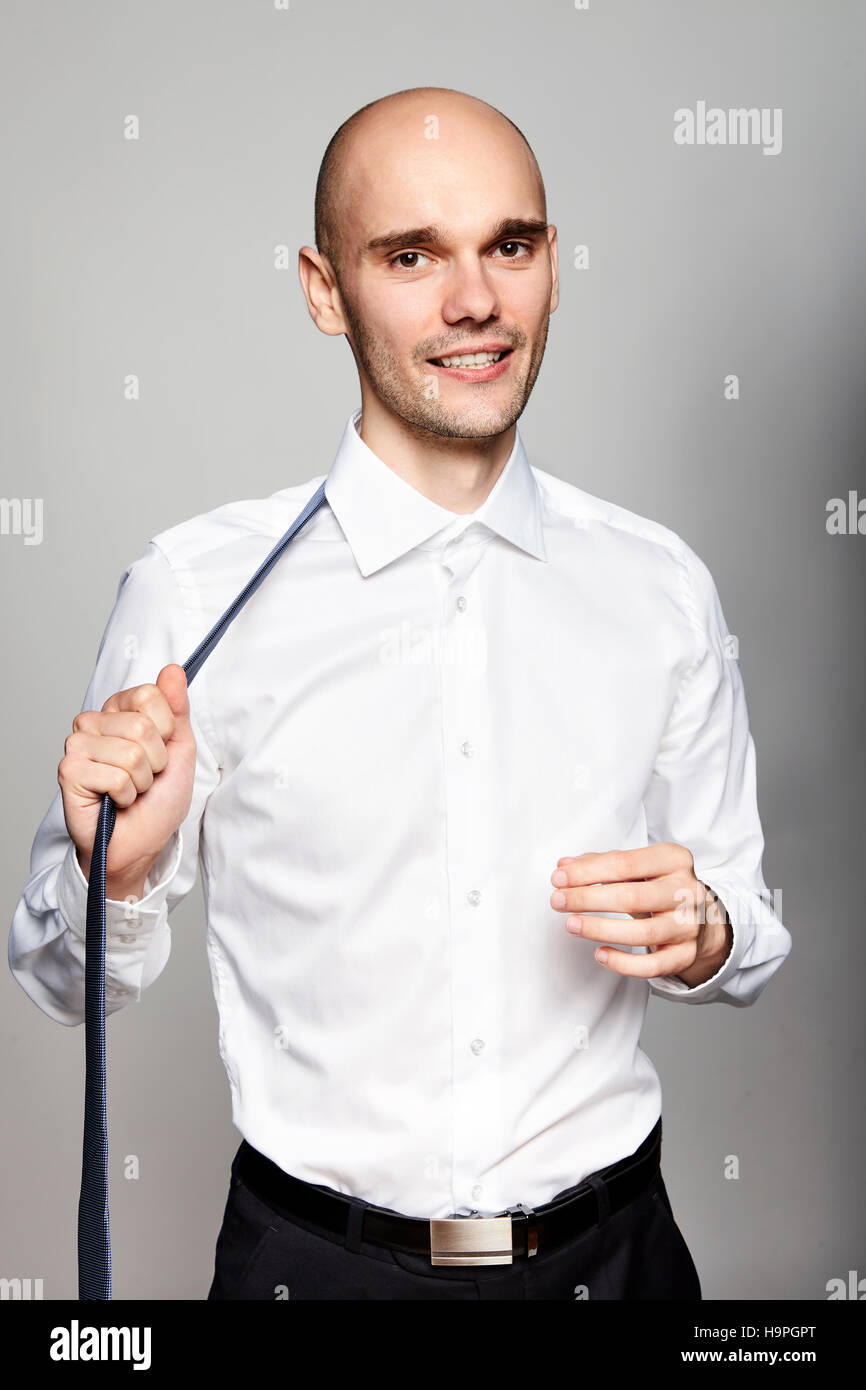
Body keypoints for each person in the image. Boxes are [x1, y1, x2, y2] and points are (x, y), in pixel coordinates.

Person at [8, 86, 791, 1301]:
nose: (472, 300)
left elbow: (748, 931)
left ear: (547, 265)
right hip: (312, 1274)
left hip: (617, 1262)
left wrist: (705, 930)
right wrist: (112, 871)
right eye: (412, 254)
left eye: (509, 246)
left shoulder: (658, 586)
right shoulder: (196, 596)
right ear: (325, 289)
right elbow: (58, 982)